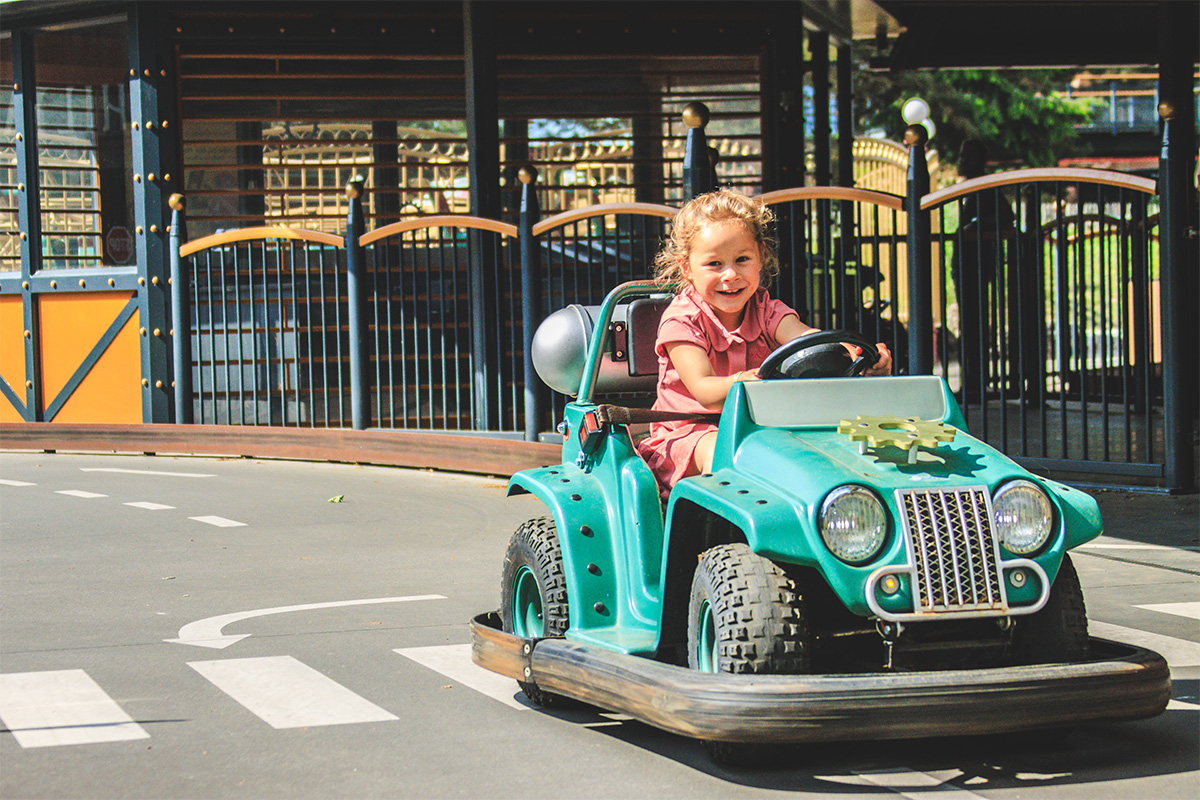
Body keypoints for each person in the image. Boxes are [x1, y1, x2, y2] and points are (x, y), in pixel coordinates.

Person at [636, 189, 892, 498]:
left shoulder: (765, 307)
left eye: (742, 260)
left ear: (761, 257)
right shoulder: (682, 321)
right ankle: (729, 532)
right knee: (724, 450)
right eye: (714, 264)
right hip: (689, 432)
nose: (730, 275)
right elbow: (704, 390)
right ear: (687, 267)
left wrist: (848, 352)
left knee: (820, 448)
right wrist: (748, 380)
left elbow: (801, 336)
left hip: (759, 426)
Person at [952, 139, 1016, 402]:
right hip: (968, 264)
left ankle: (975, 384)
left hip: (976, 265)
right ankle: (973, 382)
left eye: (966, 156)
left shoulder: (984, 188)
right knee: (971, 325)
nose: (961, 160)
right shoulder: (972, 188)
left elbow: (1006, 215)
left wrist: (973, 227)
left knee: (974, 325)